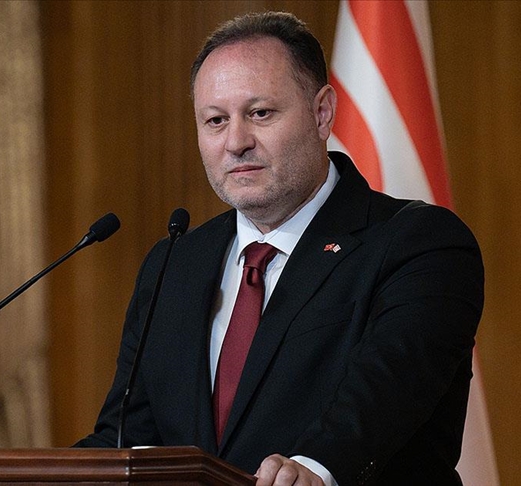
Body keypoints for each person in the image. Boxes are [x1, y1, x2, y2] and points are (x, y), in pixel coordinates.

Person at [76, 11, 483, 486]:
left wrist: (314, 468)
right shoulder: (174, 264)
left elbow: (387, 391)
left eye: (260, 113)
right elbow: (126, 440)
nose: (236, 142)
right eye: (215, 120)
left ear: (322, 112)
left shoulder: (419, 244)